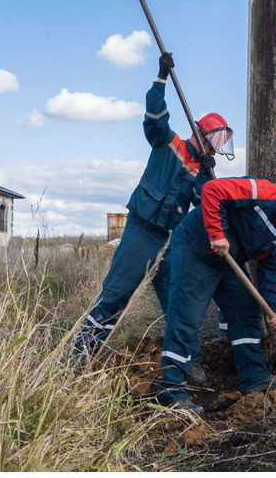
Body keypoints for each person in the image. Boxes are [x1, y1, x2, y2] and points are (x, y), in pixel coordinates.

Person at [71, 52, 234, 379]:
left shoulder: (202, 170)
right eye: (213, 143)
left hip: (171, 241)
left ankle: (189, 360)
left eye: (218, 147)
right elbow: (154, 117)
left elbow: (207, 202)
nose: (214, 150)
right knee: (115, 295)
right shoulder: (168, 143)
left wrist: (213, 178)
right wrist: (161, 78)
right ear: (200, 134)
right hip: (141, 234)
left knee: (178, 301)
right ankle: (79, 356)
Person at [156, 170, 276, 415]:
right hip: (197, 247)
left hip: (228, 259)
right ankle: (171, 391)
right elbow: (212, 190)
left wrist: (275, 311)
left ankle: (254, 377)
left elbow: (272, 271)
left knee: (246, 311)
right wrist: (217, 233)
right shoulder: (263, 192)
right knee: (186, 317)